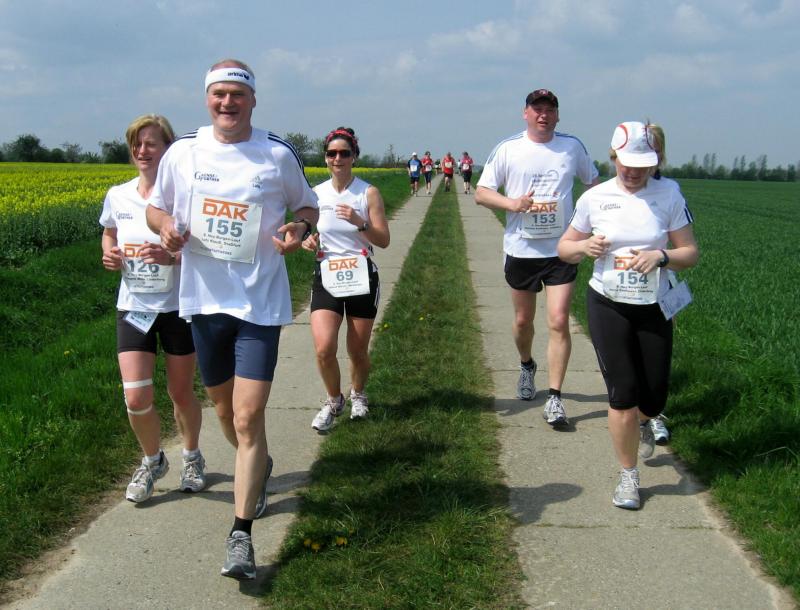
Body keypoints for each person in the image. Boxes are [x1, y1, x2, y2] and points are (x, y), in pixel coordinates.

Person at [146, 59, 319, 579]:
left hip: (259, 305)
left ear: (253, 100)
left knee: (247, 417)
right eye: (219, 94)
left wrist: (297, 229)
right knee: (225, 411)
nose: (228, 103)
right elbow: (157, 208)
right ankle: (259, 465)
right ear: (207, 99)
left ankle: (240, 535)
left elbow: (307, 207)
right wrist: (165, 228)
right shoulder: (183, 152)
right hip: (204, 303)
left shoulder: (276, 153)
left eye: (237, 95)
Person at [557, 121, 698, 509]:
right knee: (622, 394)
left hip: (654, 305)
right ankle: (628, 476)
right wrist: (584, 247)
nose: (634, 172)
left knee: (653, 396)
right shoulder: (595, 197)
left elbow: (690, 252)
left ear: (655, 162)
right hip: (608, 303)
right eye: (626, 164)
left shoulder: (669, 194)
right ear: (613, 157)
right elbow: (564, 248)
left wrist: (661, 255)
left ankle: (648, 420)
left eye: (643, 165)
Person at [475, 88, 599, 427]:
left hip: (561, 250)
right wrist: (513, 204)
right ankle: (527, 365)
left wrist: (586, 223)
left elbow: (594, 184)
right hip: (522, 250)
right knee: (522, 322)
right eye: (537, 109)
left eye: (549, 110)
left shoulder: (572, 147)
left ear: (557, 115)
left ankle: (555, 397)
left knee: (558, 320)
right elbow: (482, 193)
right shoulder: (508, 148)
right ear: (525, 113)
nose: (543, 115)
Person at [100, 114, 206, 504]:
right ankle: (152, 460)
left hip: (178, 307)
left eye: (151, 144)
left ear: (168, 149)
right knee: (135, 398)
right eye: (137, 144)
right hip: (134, 307)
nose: (142, 150)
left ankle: (192, 456)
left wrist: (172, 258)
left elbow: (206, 250)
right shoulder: (118, 195)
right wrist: (109, 254)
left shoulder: (184, 198)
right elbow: (109, 232)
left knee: (181, 393)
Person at [302, 127, 390, 433]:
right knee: (324, 348)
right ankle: (334, 400)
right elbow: (308, 231)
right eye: (332, 153)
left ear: (354, 157)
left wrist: (360, 222)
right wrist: (308, 241)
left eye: (344, 153)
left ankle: (359, 394)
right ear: (325, 158)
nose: (337, 158)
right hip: (327, 275)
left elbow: (384, 240)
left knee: (357, 350)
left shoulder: (368, 193)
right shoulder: (316, 193)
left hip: (360, 276)